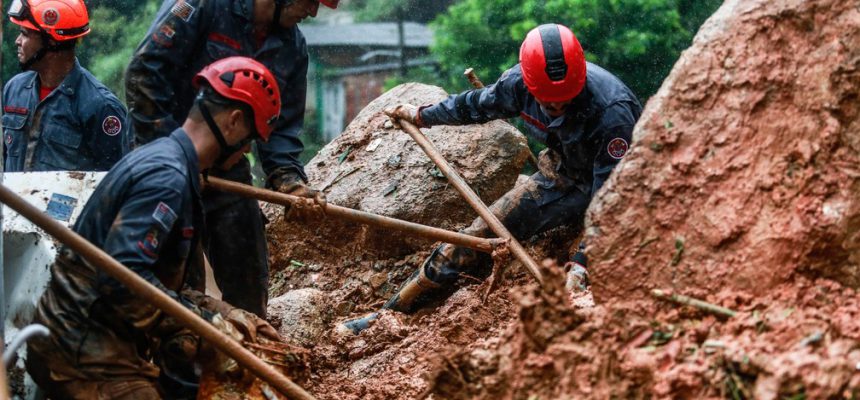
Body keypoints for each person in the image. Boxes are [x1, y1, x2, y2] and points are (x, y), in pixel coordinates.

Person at [340, 23, 643, 334]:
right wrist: (421, 115)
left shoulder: (612, 112)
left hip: (615, 185)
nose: (557, 107)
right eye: (548, 103)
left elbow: (614, 196)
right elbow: (474, 106)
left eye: (565, 99)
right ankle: (389, 313)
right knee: (476, 235)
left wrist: (582, 262)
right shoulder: (517, 84)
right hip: (562, 177)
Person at [26, 57, 283, 399]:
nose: (246, 153)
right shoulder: (167, 179)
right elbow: (123, 280)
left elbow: (156, 284)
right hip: (81, 350)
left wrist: (230, 314)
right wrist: (212, 328)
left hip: (92, 339)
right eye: (251, 140)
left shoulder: (166, 160)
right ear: (234, 123)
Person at [124, 0, 336, 318]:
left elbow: (281, 127)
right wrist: (176, 159)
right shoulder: (202, 6)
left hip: (227, 169)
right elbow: (144, 75)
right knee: (181, 287)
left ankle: (246, 356)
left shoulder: (293, 46)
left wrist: (289, 182)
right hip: (164, 160)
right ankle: (179, 362)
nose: (313, 12)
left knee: (249, 276)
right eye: (310, 1)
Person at [2, 0, 130, 172]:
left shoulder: (101, 107)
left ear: (52, 42)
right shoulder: (14, 89)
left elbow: (117, 183)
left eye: (25, 34)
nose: (18, 41)